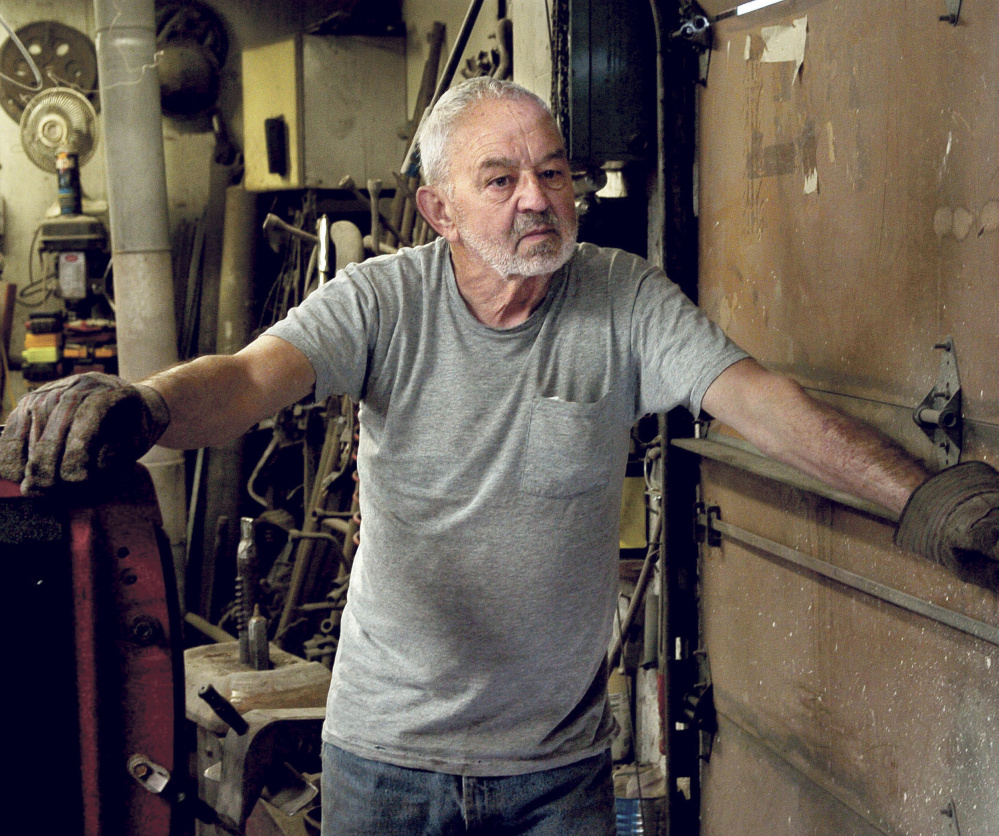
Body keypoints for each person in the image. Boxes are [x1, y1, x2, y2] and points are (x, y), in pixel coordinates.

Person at [1, 77, 997, 835]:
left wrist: (931, 499)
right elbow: (253, 379)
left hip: (555, 771)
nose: (539, 199)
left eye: (554, 170)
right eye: (502, 177)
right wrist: (148, 404)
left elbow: (764, 405)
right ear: (439, 211)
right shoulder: (383, 299)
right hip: (384, 760)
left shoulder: (625, 297)